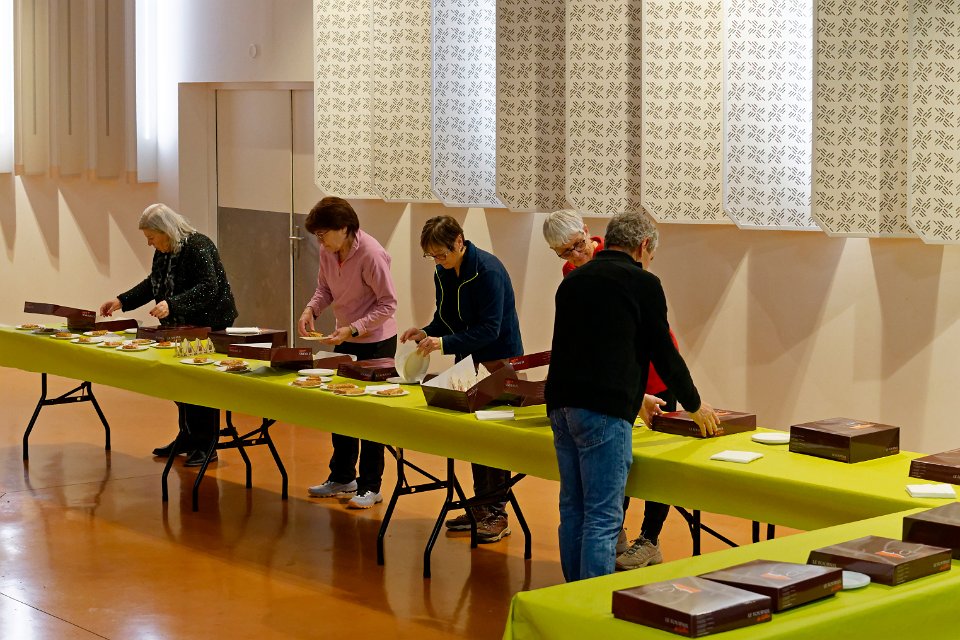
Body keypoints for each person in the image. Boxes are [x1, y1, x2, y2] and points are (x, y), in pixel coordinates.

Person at [545, 210, 719, 582]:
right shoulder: (643, 283)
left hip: (560, 404)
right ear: (642, 246)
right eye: (650, 254)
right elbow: (663, 353)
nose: (649, 261)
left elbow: (584, 353)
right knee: (603, 516)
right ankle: (592, 604)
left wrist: (638, 397)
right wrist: (694, 404)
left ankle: (568, 600)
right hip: (602, 410)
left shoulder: (572, 283)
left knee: (573, 509)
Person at [400, 216, 523, 543]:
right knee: (473, 437)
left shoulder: (488, 271)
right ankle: (480, 508)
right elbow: (445, 318)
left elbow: (490, 329)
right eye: (431, 256)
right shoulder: (442, 272)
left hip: (498, 362)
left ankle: (497, 514)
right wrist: (425, 331)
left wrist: (442, 344)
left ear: (459, 241)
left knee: (493, 439)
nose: (437, 261)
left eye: (441, 254)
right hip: (468, 361)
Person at [99, 203, 238, 467]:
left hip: (210, 323)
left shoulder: (198, 245)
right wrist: (122, 300)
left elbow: (209, 287)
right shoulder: (164, 252)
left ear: (166, 231)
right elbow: (153, 283)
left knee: (200, 383)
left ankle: (206, 445)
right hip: (182, 325)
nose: (149, 243)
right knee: (179, 381)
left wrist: (173, 304)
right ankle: (187, 437)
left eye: (151, 237)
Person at [300, 197, 398, 510]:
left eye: (323, 234)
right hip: (346, 336)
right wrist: (311, 309)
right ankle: (342, 477)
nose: (320, 241)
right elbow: (324, 289)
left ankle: (371, 486)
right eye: (317, 235)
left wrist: (354, 329)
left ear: (344, 228)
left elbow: (388, 304)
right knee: (340, 408)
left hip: (376, 341)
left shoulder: (371, 253)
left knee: (370, 415)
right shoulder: (327, 250)